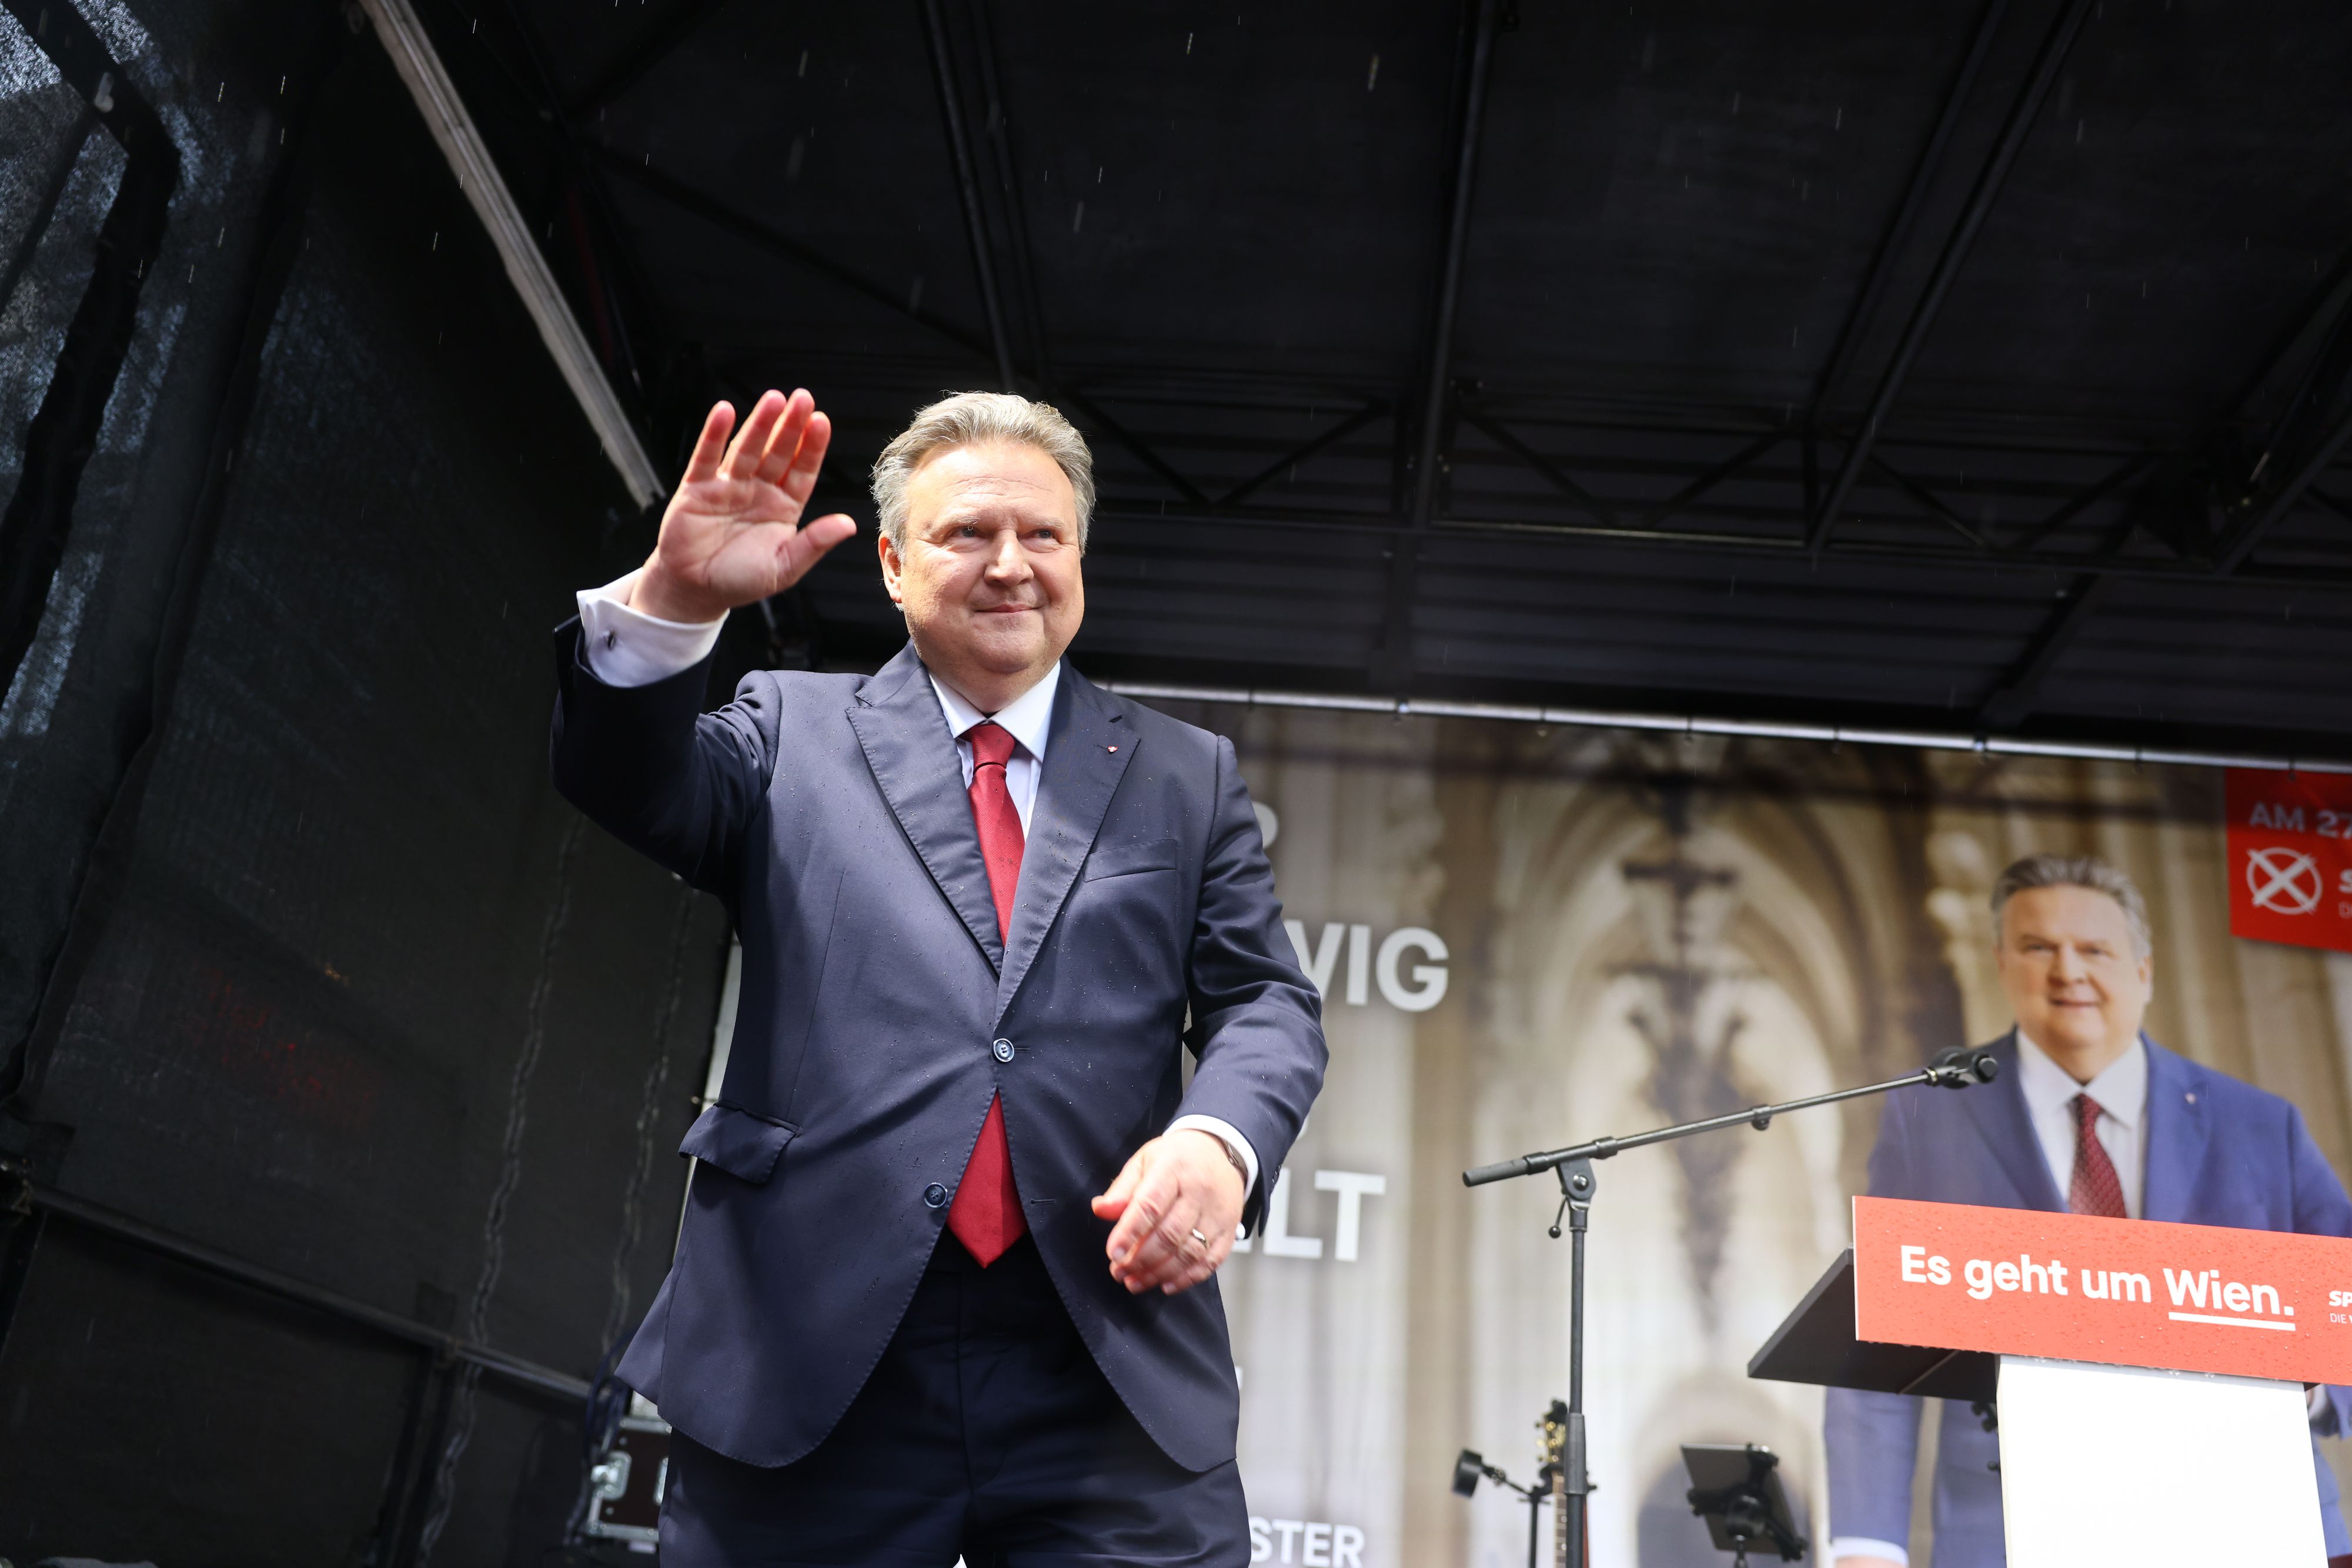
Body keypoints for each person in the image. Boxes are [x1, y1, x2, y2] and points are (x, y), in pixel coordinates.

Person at [550, 387, 1326, 1564]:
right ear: (898, 566)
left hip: (1100, 1359)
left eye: (1043, 535)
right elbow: (628, 784)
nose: (1011, 564)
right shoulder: (783, 730)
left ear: (1079, 560)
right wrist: (675, 602)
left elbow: (1265, 999)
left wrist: (1217, 1141)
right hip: (808, 1345)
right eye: (969, 534)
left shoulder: (1187, 775)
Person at [1823, 853, 2352, 1567]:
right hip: (2013, 1527)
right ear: (2002, 963)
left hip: (2248, 1513)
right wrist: (1866, 1545)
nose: (2067, 971)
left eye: (2094, 950)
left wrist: (2309, 1387)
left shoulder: (2258, 1125)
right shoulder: (1930, 1117)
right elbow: (1875, 1340)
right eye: (2039, 947)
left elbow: (2343, 1298)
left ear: (2144, 971)